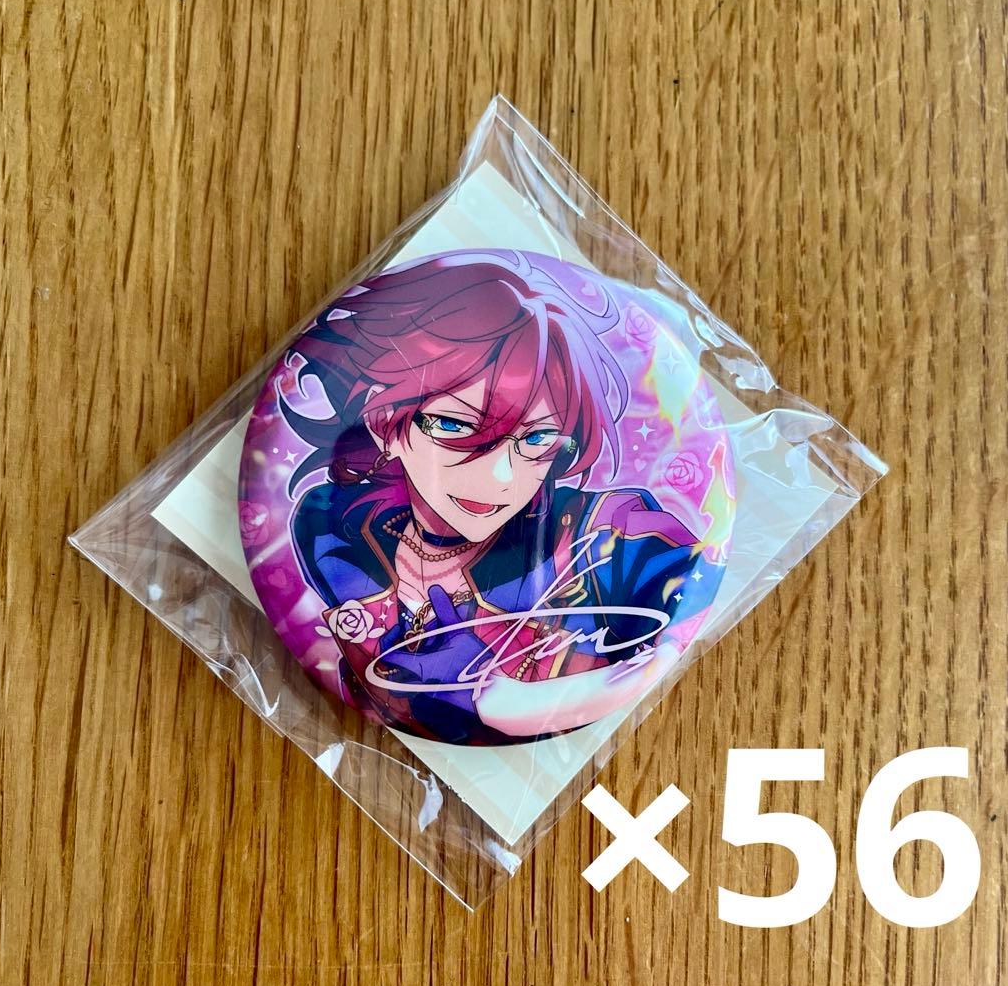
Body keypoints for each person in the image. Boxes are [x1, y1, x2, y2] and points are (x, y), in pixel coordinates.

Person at [281, 251, 722, 744]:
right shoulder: (333, 527)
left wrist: (508, 704)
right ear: (385, 422)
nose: (500, 475)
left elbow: (692, 611)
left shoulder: (607, 535)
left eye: (537, 439)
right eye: (455, 426)